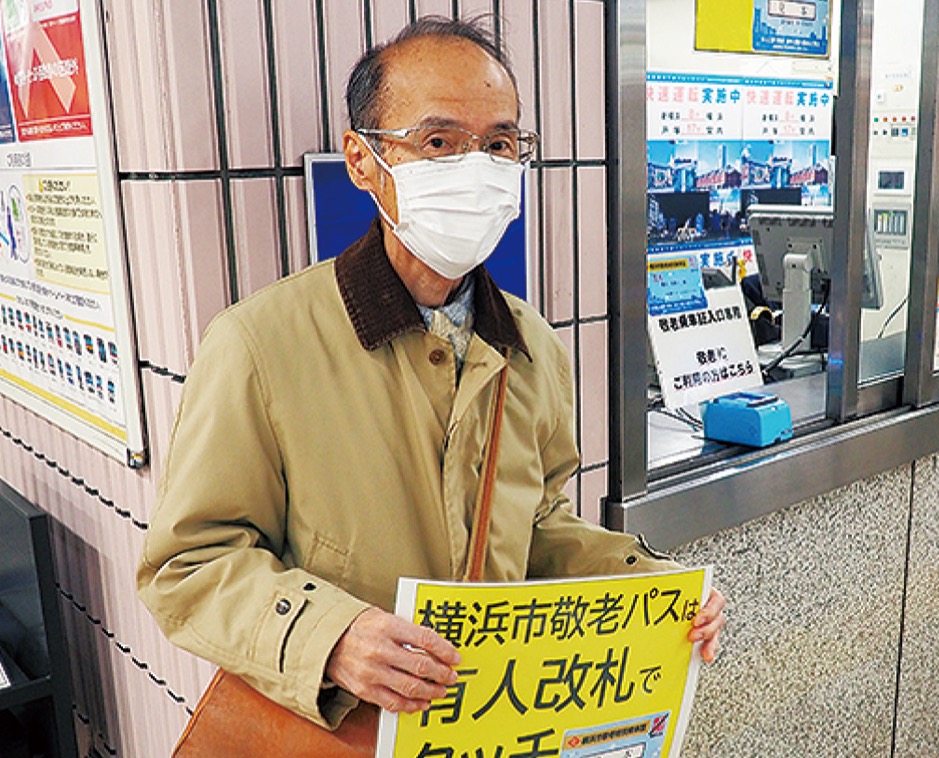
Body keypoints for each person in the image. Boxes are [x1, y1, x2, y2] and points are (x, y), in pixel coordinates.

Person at [137, 16, 726, 732]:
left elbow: (537, 527)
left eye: (499, 144)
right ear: (363, 161)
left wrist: (651, 589)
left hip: (489, 723)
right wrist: (330, 639)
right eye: (439, 142)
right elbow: (190, 563)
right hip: (348, 729)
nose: (476, 168)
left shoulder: (532, 347)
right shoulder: (258, 345)